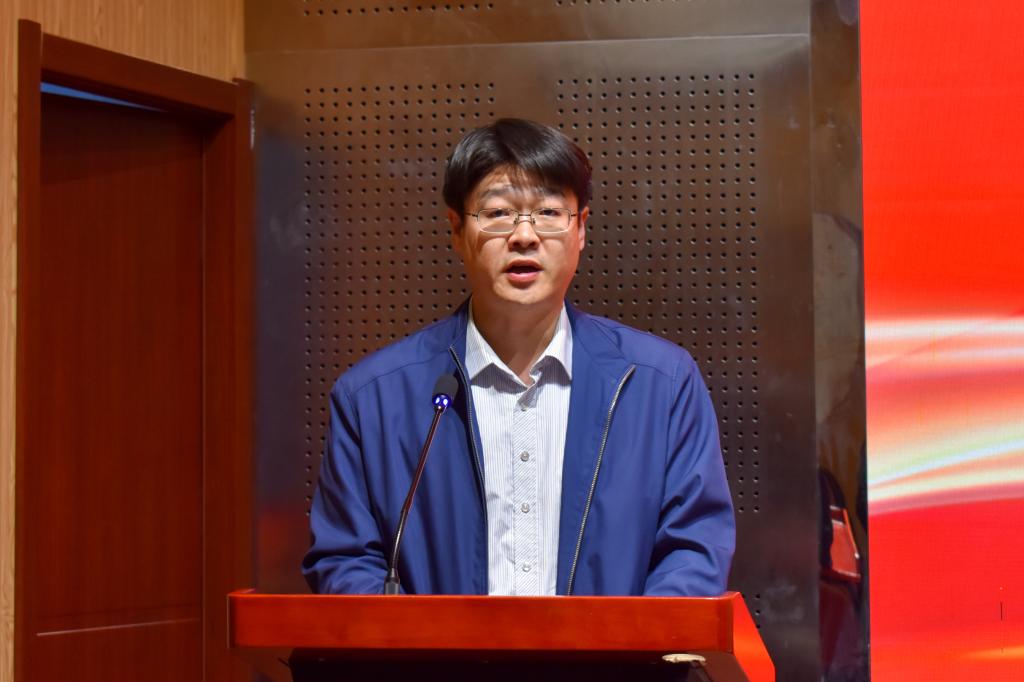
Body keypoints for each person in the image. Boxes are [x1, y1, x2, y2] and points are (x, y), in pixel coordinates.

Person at [302, 118, 735, 596]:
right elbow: (345, 562)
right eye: (498, 213)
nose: (524, 235)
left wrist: (616, 642)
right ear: (456, 230)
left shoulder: (661, 385)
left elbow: (693, 551)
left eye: (548, 212)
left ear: (581, 229)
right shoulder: (373, 398)